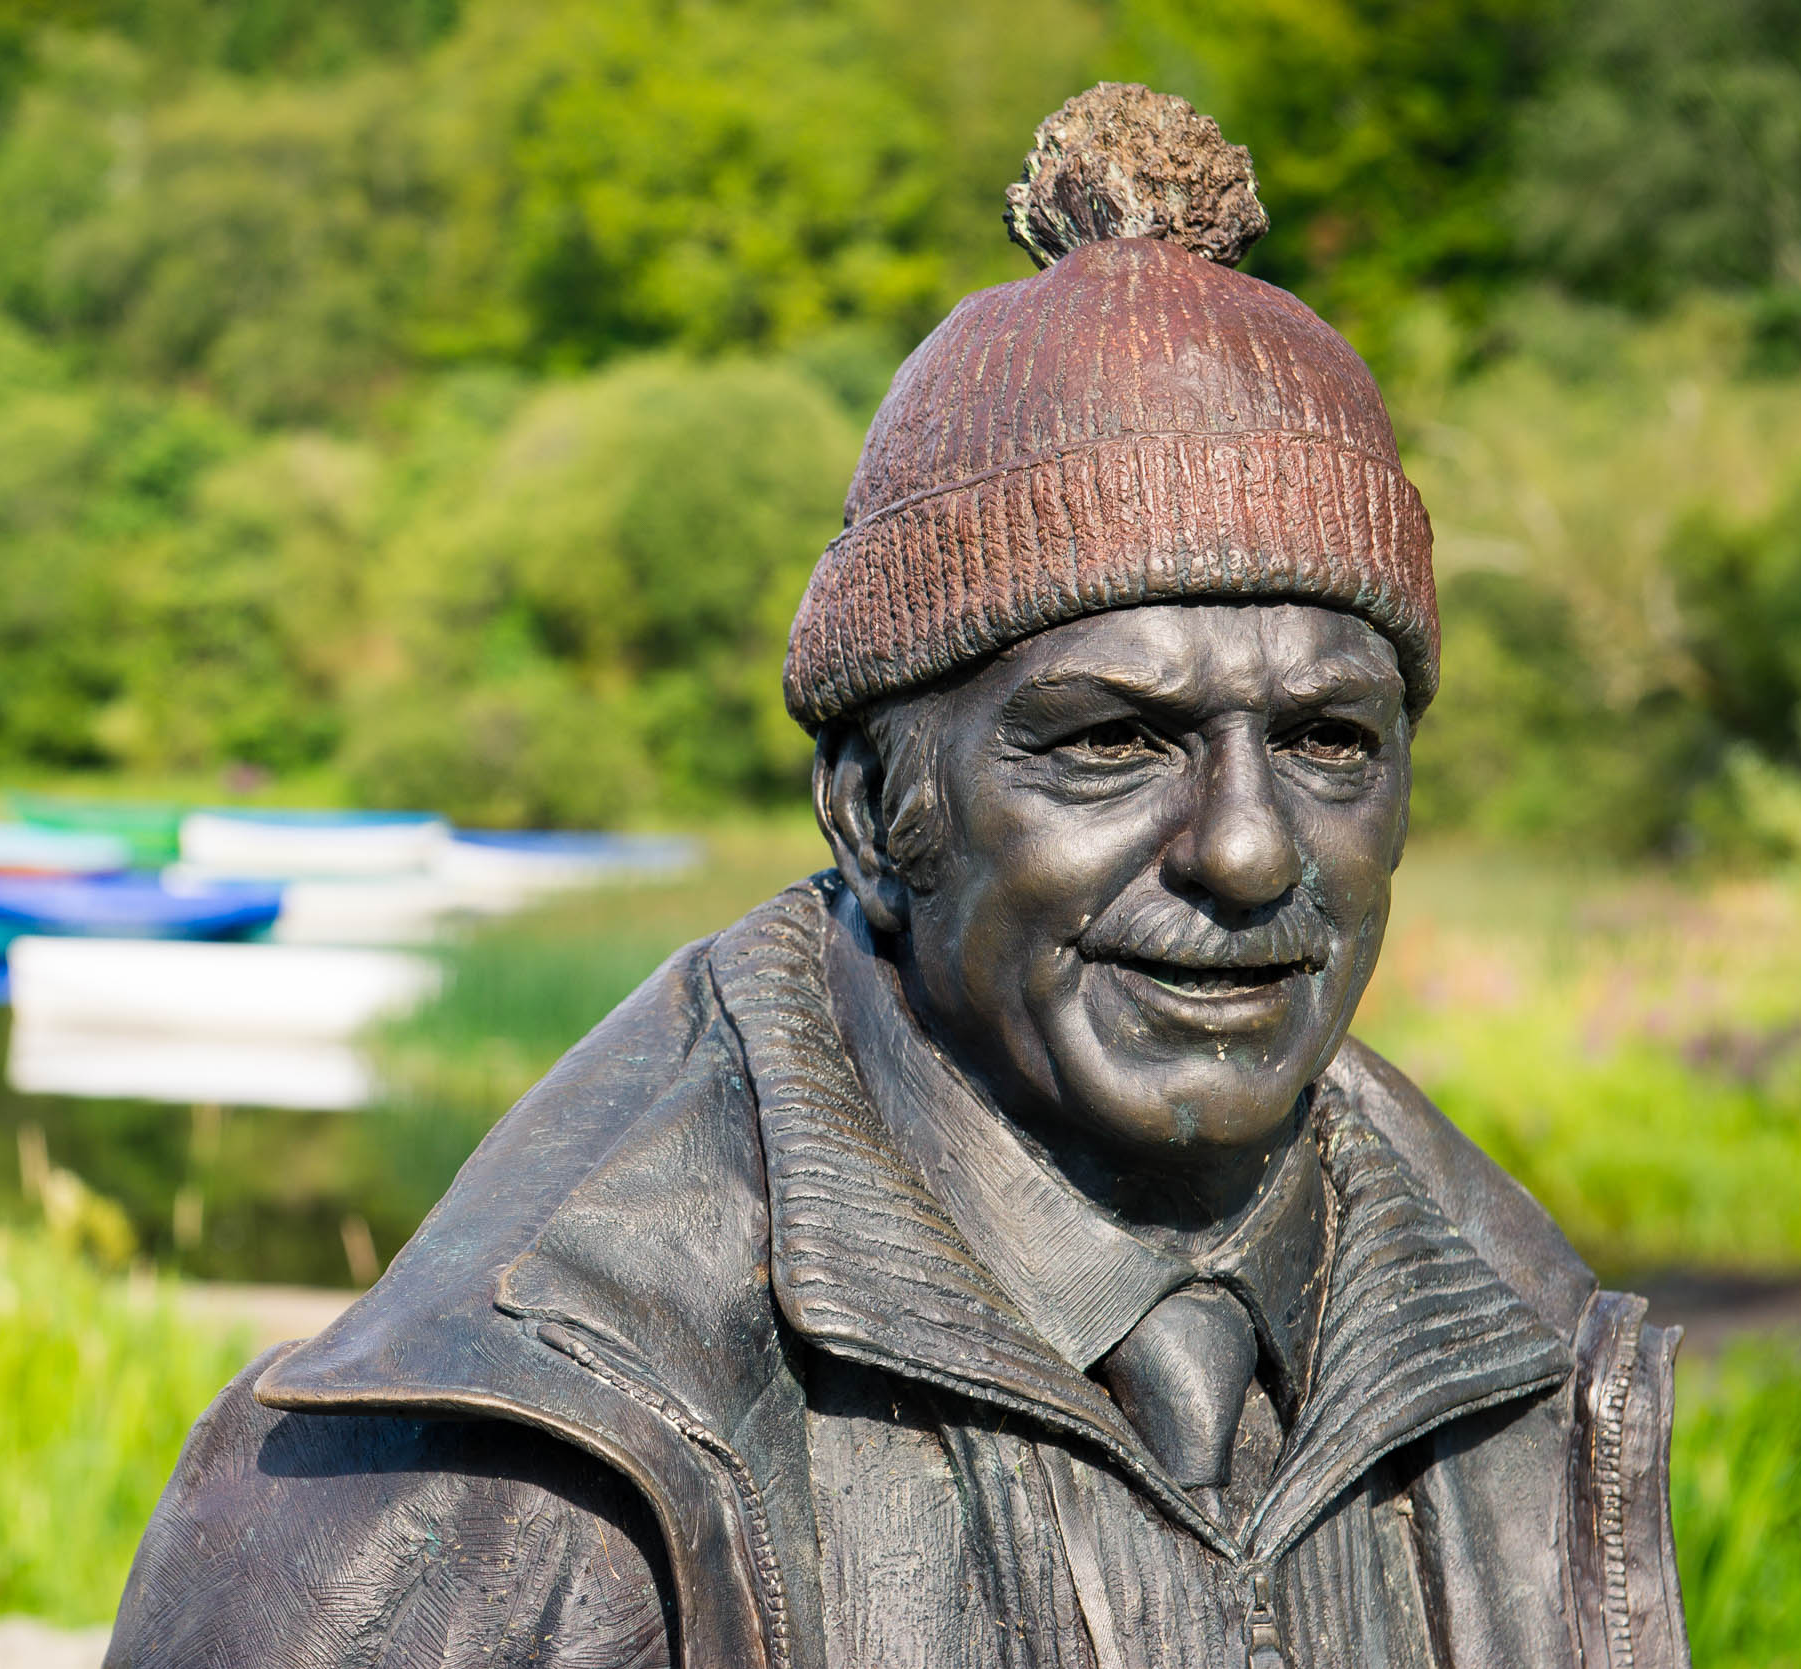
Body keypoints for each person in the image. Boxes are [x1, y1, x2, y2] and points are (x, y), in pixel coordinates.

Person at [106, 83, 1686, 1669]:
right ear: (872, 809)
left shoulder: (1534, 1361)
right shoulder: (494, 1466)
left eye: (1331, 739)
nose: (1250, 846)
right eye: (1115, 740)